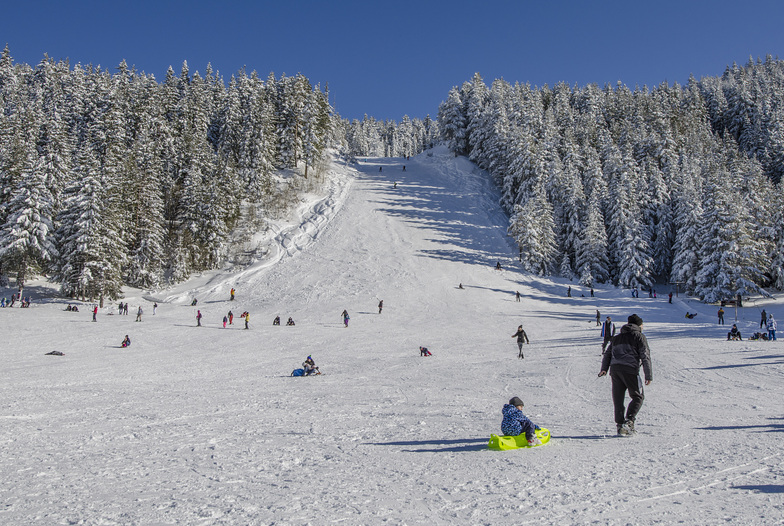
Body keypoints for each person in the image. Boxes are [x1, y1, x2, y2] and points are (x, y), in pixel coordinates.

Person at [598, 314, 653, 436]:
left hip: (615, 370)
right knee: (638, 396)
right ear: (638, 325)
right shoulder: (639, 336)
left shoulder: (617, 338)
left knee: (618, 398)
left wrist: (604, 369)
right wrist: (648, 375)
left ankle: (620, 425)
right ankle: (629, 421)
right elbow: (645, 356)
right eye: (642, 324)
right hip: (630, 370)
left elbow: (607, 354)